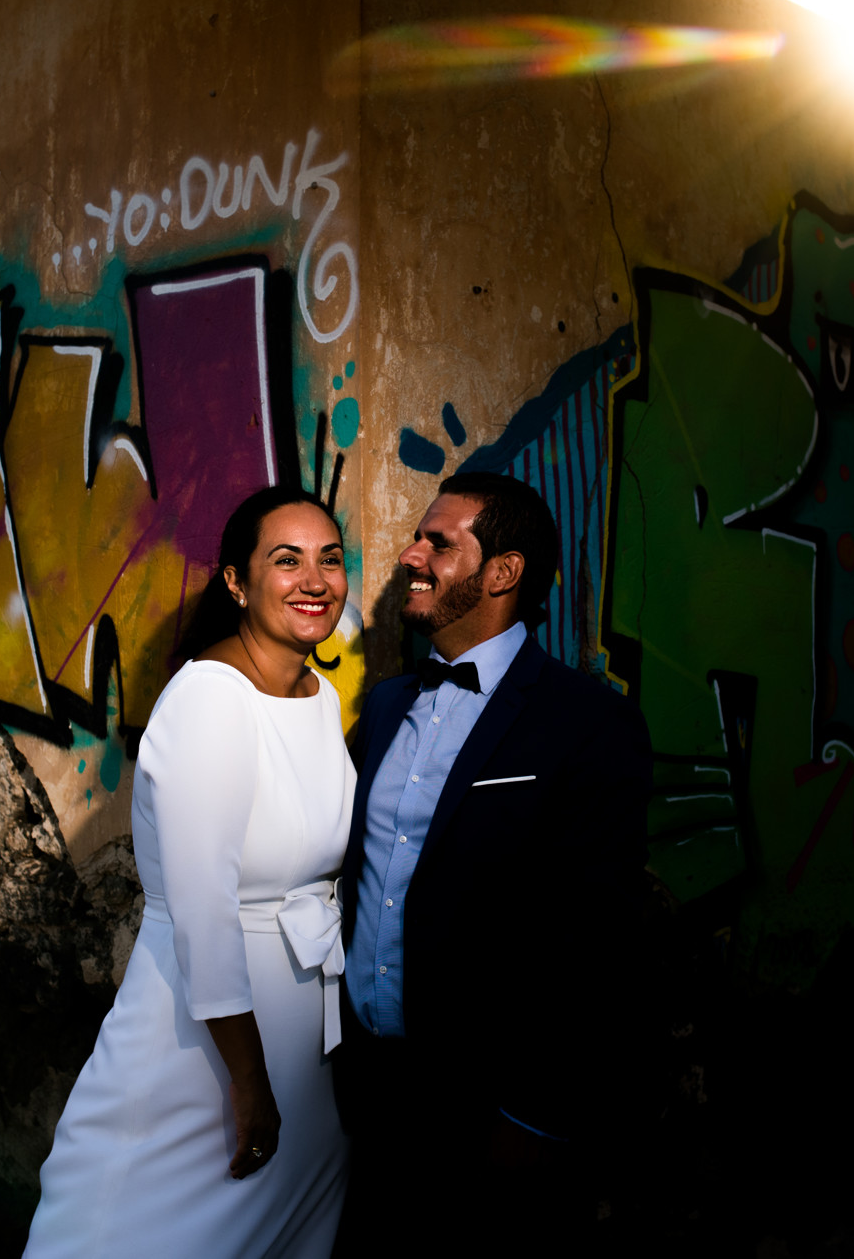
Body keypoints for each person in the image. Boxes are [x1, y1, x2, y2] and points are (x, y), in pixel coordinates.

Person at [26, 486, 356, 1259]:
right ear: (237, 582)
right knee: (147, 1228)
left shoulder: (320, 694)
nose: (315, 579)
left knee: (284, 1221)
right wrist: (250, 1082)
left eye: (330, 559)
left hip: (303, 1026)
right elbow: (207, 916)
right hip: (206, 1042)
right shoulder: (209, 700)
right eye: (287, 560)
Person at [334, 472, 652, 1256]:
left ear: (502, 572)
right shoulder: (383, 705)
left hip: (486, 1104)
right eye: (418, 537)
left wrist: (535, 1110)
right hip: (368, 1089)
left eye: (440, 542)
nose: (412, 554)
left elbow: (594, 934)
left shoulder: (587, 722)